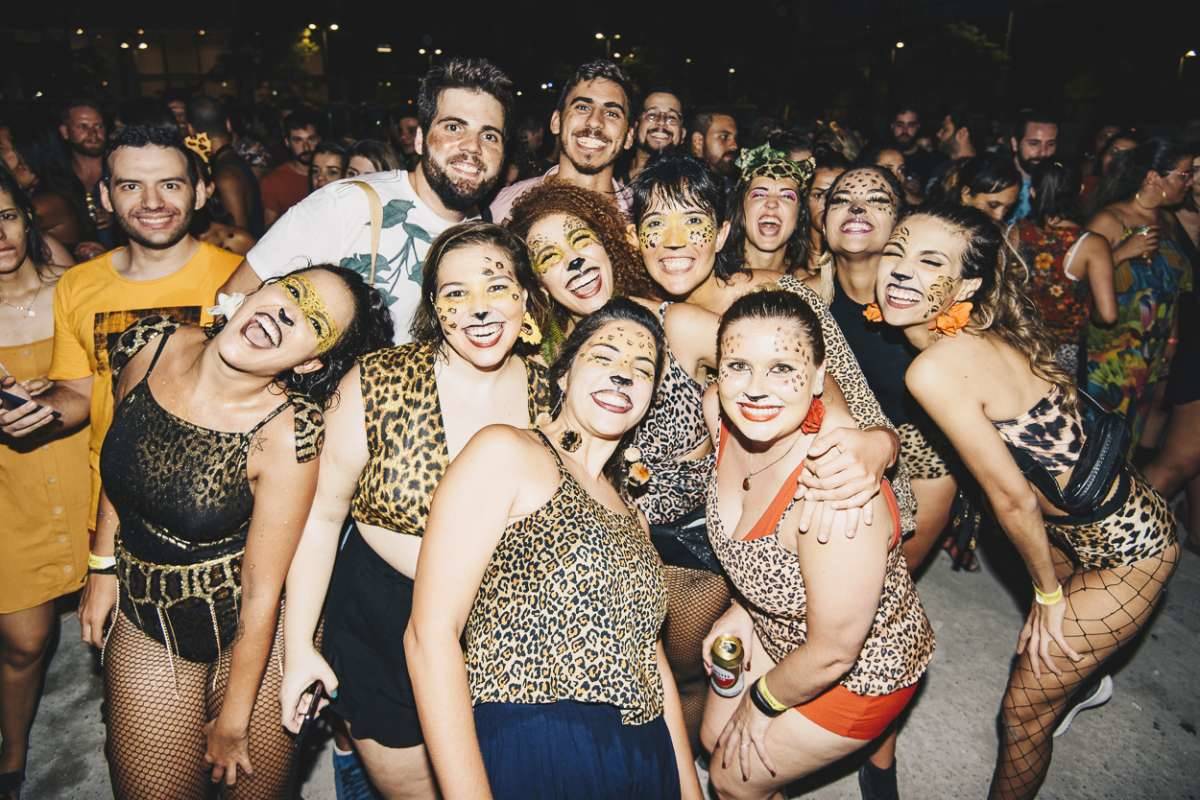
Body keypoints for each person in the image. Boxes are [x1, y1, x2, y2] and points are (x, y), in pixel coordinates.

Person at [874, 202, 1179, 799]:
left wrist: (1047, 596)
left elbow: (1012, 498)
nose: (902, 272)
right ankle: (1085, 682)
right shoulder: (968, 333)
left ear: (966, 284)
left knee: (1022, 718)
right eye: (897, 251)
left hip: (1130, 549)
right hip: (1075, 528)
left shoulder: (936, 365)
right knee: (1051, 676)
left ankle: (1074, 683)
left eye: (929, 260)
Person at [74, 264, 389, 799]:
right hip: (152, 610)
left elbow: (261, 595)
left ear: (310, 360)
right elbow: (121, 461)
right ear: (259, 290)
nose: (290, 310)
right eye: (292, 292)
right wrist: (102, 564)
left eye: (313, 320)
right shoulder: (152, 347)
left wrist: (233, 723)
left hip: (255, 632)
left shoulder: (288, 431)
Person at [279, 223, 550, 800]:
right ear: (433, 307)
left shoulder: (552, 395)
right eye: (455, 293)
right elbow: (322, 517)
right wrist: (299, 643)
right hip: (380, 624)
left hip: (502, 631)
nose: (477, 310)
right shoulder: (377, 380)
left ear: (527, 296)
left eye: (496, 286)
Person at [407, 298, 703, 800]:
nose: (623, 375)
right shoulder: (507, 452)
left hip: (645, 755)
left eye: (641, 368)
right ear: (564, 375)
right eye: (604, 357)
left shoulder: (634, 514)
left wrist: (688, 788)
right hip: (539, 740)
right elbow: (429, 636)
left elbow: (650, 657)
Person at [699, 289, 934, 800]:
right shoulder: (719, 411)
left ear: (817, 376)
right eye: (739, 365)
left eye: (782, 368)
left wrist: (761, 702)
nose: (756, 390)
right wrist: (741, 606)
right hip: (779, 628)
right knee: (713, 737)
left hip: (860, 673)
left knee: (729, 780)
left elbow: (834, 652)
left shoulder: (833, 492)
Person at [0, 125, 242, 534]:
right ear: (105, 197)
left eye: (169, 184)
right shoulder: (78, 284)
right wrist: (35, 412)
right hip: (114, 518)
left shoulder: (241, 279)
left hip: (220, 514)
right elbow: (80, 392)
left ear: (201, 192)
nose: (152, 202)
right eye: (131, 185)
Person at [221, 57, 514, 343]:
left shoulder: (485, 234)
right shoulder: (348, 203)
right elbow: (232, 301)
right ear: (419, 139)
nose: (472, 147)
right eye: (453, 127)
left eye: (489, 136)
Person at [815, 165, 959, 573]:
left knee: (885, 584)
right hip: (831, 459)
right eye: (841, 200)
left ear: (900, 223)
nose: (857, 207)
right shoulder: (805, 297)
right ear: (824, 223)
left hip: (924, 465)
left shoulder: (933, 312)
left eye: (877, 201)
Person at [0, 170, 90, 800]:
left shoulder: (76, 292)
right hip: (13, 494)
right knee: (25, 643)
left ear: (26, 217)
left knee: (118, 636)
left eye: (5, 215)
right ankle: (13, 752)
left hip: (91, 484)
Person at [1085, 138, 1194, 446]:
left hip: (1153, 351)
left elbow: (1172, 291)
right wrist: (1121, 253)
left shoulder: (1168, 222)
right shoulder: (1110, 219)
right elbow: (1076, 279)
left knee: (1131, 440)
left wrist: (1172, 339)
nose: (1190, 182)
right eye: (1183, 175)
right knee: (1101, 440)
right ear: (1152, 177)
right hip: (1111, 353)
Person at [506, 182, 656, 359]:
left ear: (606, 246)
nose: (573, 260)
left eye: (581, 239)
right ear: (540, 285)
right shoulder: (538, 362)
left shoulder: (673, 326)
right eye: (548, 257)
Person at [489, 59, 636, 224]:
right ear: (556, 122)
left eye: (612, 113)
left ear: (629, 136)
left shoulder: (642, 216)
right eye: (582, 107)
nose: (595, 122)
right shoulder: (503, 207)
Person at [1008, 160, 1117, 376]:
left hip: (1014, 346)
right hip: (1061, 354)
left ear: (1032, 192)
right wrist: (1084, 313)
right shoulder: (1091, 244)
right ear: (1080, 189)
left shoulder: (1013, 232)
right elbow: (1108, 315)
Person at [1145, 149, 1200, 551]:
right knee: (1180, 459)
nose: (1195, 180)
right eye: (1193, 172)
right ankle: (1105, 534)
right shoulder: (1163, 220)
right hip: (1186, 349)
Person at [715, 144, 814, 276]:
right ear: (741, 208)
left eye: (787, 196)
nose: (772, 203)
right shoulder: (712, 279)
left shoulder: (812, 289)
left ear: (798, 216)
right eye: (759, 194)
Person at [186, 96, 265, 237]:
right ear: (228, 124)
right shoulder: (230, 162)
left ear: (191, 130)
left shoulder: (226, 176)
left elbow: (239, 236)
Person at [56, 98, 114, 258]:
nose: (93, 134)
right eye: (83, 126)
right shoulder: (56, 179)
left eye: (99, 126)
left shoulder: (120, 172)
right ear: (65, 132)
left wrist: (117, 218)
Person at [259, 110, 321, 226]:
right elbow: (270, 230)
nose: (306, 147)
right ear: (287, 142)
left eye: (311, 139)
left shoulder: (334, 174)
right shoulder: (274, 181)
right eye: (298, 140)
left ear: (319, 140)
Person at [929, 155, 1021, 225]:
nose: (999, 216)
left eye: (1008, 208)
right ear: (966, 194)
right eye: (993, 205)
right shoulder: (938, 227)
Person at [1007, 110, 1059, 224]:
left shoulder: (1060, 183)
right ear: (1015, 144)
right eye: (1034, 144)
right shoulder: (996, 180)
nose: (1043, 153)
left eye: (1050, 144)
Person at [804, 148, 848, 276]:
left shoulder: (855, 261)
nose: (827, 203)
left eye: (837, 195)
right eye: (818, 195)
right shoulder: (785, 257)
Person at [627, 89, 686, 181]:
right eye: (652, 115)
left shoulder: (692, 186)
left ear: (682, 135)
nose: (661, 122)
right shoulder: (610, 182)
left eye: (672, 117)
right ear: (634, 129)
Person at [689, 110, 739, 178]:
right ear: (698, 142)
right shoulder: (681, 184)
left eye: (736, 138)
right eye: (724, 137)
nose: (734, 146)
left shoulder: (737, 183)